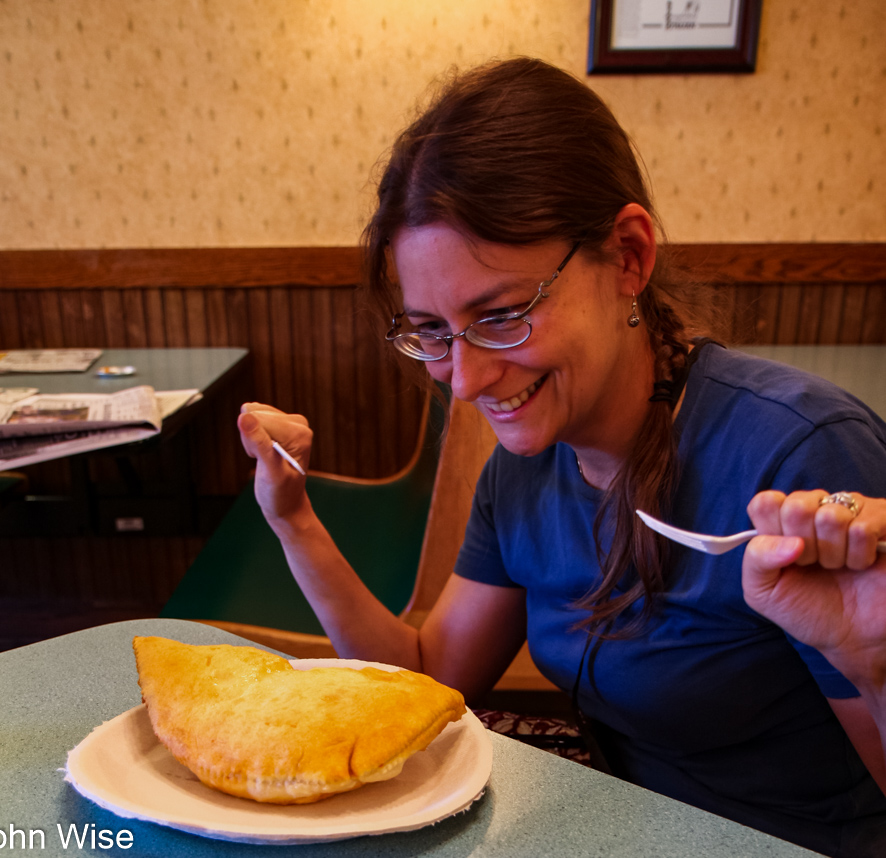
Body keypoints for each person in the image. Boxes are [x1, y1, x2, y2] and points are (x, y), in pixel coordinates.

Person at [237, 57, 886, 856]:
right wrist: (292, 518)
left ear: (628, 257)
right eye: (432, 331)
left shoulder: (800, 454)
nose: (465, 381)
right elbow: (426, 681)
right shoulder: (522, 472)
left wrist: (880, 667)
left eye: (503, 313)